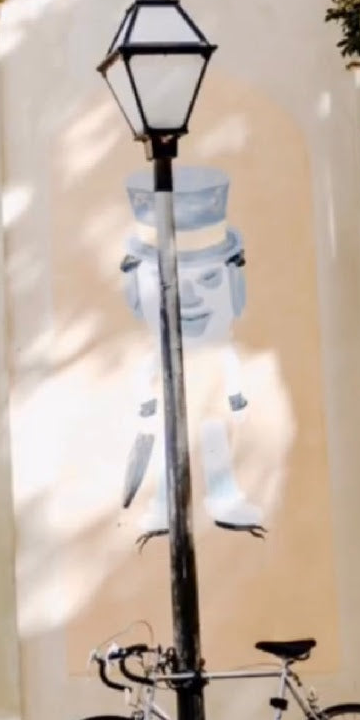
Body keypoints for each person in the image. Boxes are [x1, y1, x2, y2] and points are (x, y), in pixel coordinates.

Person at [119, 165, 265, 544]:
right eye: (172, 282)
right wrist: (147, 408)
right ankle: (163, 506)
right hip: (172, 415)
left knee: (216, 450)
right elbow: (146, 377)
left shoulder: (220, 351)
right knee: (169, 457)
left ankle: (223, 497)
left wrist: (236, 400)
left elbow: (230, 368)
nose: (192, 297)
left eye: (209, 278)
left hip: (212, 409)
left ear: (233, 282)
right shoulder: (158, 354)